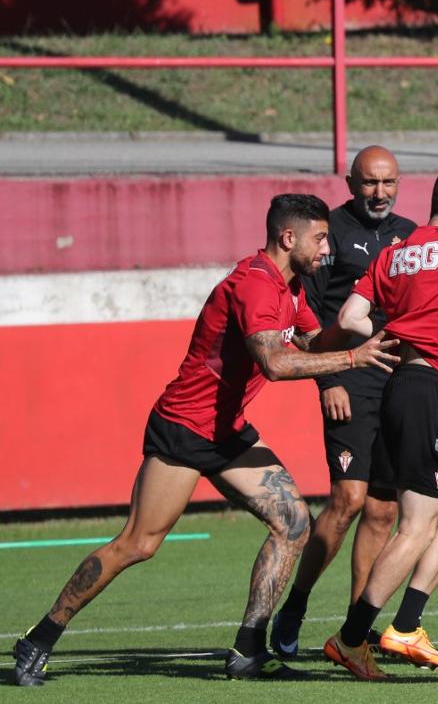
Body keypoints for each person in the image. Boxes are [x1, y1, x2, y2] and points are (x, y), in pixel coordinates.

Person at [11, 194, 399, 687]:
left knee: (294, 522)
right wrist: (352, 360)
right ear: (288, 238)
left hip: (227, 430)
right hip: (185, 428)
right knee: (139, 543)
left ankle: (248, 650)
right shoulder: (255, 286)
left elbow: (314, 342)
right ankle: (39, 639)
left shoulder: (292, 287)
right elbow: (276, 365)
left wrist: (361, 322)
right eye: (320, 238)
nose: (328, 248)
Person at [323, 165, 438, 680]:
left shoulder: (392, 252)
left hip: (403, 387)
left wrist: (394, 328)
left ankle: (405, 623)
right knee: (417, 524)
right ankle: (353, 637)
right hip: (431, 392)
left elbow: (350, 320)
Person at [271, 146, 417, 657]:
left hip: (397, 379)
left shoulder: (413, 235)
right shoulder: (324, 233)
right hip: (348, 377)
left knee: (382, 509)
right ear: (352, 182)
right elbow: (304, 316)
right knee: (347, 501)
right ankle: (296, 605)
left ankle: (356, 633)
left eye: (389, 183)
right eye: (370, 183)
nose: (380, 193)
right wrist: (327, 379)